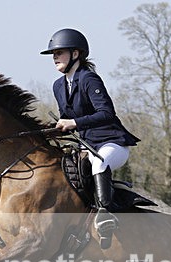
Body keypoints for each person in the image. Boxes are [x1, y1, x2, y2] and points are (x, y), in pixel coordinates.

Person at [41, 28, 140, 249]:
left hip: (112, 143)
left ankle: (105, 214)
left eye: (59, 52)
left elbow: (106, 114)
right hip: (87, 145)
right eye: (53, 54)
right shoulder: (58, 86)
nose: (55, 57)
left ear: (75, 54)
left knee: (99, 161)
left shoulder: (89, 79)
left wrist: (73, 123)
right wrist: (51, 129)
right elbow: (66, 119)